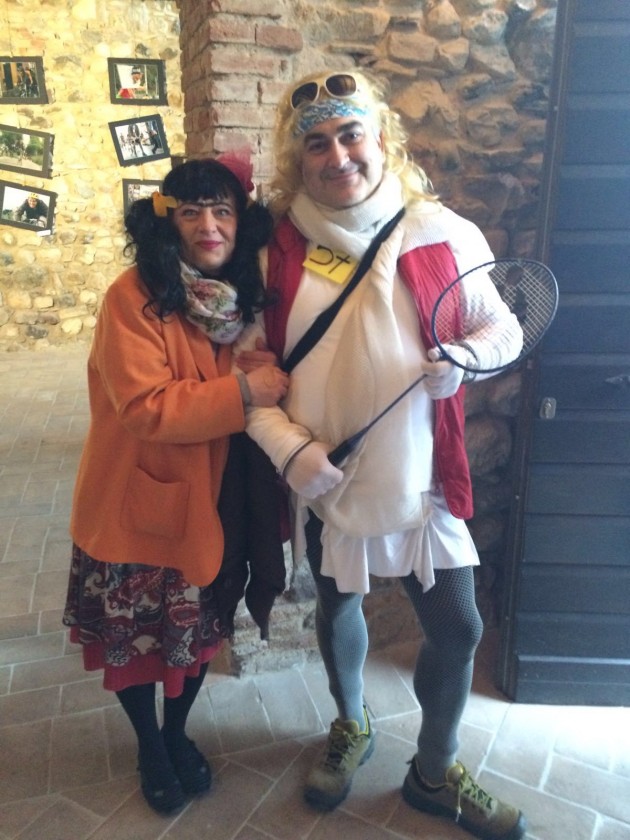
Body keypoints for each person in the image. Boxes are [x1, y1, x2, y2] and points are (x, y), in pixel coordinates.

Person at [245, 69, 526, 840]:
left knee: (458, 629)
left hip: (424, 476)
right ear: (296, 159)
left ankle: (434, 773)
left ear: (379, 138)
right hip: (326, 476)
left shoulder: (441, 230)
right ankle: (351, 723)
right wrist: (290, 453)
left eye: (350, 135)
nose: (338, 156)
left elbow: (500, 327)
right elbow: (249, 376)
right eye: (316, 144)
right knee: (338, 605)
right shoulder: (275, 250)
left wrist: (466, 360)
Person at [62, 156, 289, 816]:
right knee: (136, 641)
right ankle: (150, 746)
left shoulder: (241, 295)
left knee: (196, 636)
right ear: (167, 222)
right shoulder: (132, 296)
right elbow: (146, 407)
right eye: (191, 211)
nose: (209, 225)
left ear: (242, 221)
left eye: (222, 210)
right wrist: (243, 392)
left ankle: (176, 732)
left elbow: (260, 364)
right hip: (137, 502)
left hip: (211, 503)